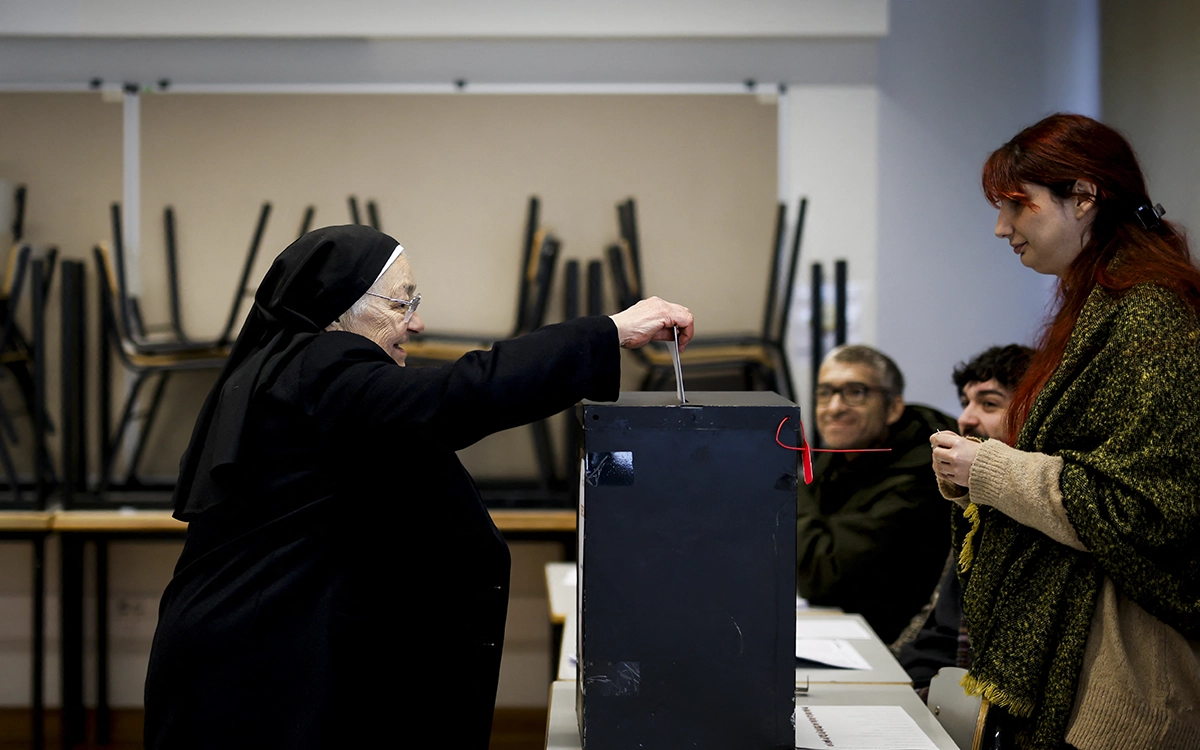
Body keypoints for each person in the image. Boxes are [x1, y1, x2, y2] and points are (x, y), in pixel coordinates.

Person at [143, 225, 694, 749]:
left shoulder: (287, 371)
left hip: (251, 653)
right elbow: (461, 396)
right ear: (340, 313)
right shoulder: (322, 366)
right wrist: (611, 331)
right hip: (257, 673)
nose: (416, 323)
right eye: (401, 304)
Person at [931, 113, 1200, 749]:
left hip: (1131, 677)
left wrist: (989, 470)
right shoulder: (1107, 304)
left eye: (1016, 207)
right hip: (1094, 660)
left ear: (1083, 198)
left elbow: (1146, 513)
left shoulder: (1151, 319)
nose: (1002, 228)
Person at [796, 344, 956, 644]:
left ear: (894, 407)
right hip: (839, 629)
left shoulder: (925, 476)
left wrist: (791, 483)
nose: (834, 407)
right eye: (825, 392)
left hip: (892, 648)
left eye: (855, 392)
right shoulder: (842, 455)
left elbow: (820, 573)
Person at [897, 344, 1032, 692]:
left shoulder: (1037, 521)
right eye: (965, 402)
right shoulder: (977, 508)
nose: (966, 419)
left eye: (989, 403)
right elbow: (936, 629)